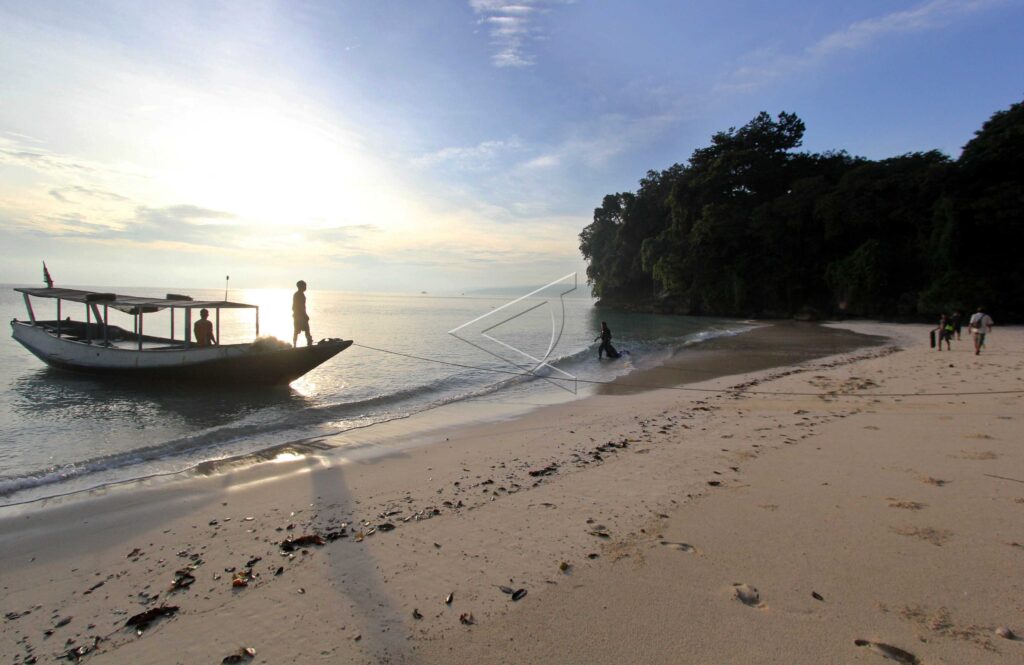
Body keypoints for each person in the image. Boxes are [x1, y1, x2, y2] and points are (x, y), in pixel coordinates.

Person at [292, 280, 313, 347]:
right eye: (304, 286)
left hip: (298, 315)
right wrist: (305, 315)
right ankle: (308, 343)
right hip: (299, 316)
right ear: (300, 287)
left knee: (297, 331)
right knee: (305, 330)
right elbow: (299, 306)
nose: (305, 287)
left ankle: (296, 345)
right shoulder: (299, 295)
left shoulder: (299, 294)